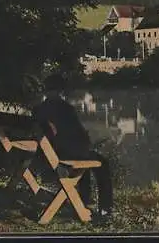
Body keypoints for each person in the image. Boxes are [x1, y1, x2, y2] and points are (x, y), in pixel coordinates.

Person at [32, 73, 114, 218]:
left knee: (84, 160)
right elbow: (80, 136)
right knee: (101, 163)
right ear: (60, 90)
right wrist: (88, 142)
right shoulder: (66, 109)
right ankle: (105, 209)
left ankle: (83, 201)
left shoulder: (38, 109)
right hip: (63, 155)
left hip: (47, 156)